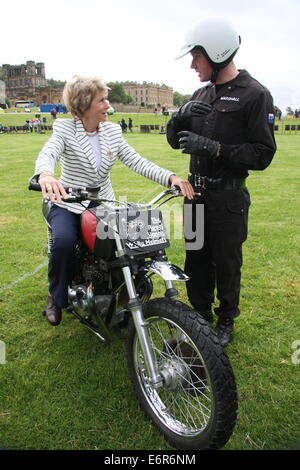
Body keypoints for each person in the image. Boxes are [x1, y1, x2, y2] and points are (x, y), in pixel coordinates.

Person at [33, 75, 194, 326]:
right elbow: (49, 152)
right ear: (84, 105)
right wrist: (45, 174)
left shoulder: (112, 130)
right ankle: (56, 296)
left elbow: (136, 160)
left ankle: (114, 297)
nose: (108, 105)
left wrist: (169, 177)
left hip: (100, 203)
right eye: (102, 100)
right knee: (64, 243)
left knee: (120, 248)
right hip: (68, 201)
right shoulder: (64, 128)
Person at [167, 18, 276, 346]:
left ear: (216, 54)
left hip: (227, 200)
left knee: (227, 262)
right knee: (195, 258)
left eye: (196, 57)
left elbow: (262, 154)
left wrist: (216, 149)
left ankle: (226, 318)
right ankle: (199, 314)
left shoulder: (255, 95)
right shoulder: (201, 93)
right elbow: (175, 140)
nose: (192, 65)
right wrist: (179, 115)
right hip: (194, 195)